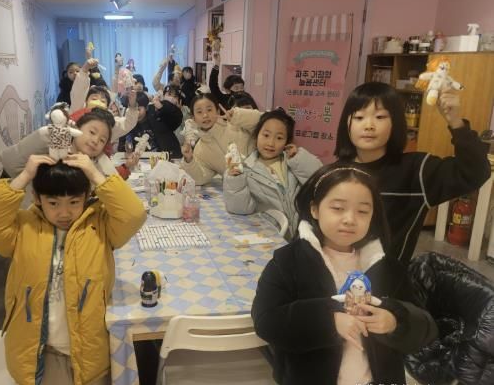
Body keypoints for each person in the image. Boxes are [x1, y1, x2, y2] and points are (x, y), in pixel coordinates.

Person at [252, 164, 437, 385]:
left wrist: (395, 320)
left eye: (362, 211)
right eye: (338, 208)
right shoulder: (289, 262)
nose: (350, 219)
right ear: (315, 209)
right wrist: (327, 320)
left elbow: (425, 327)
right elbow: (266, 320)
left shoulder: (387, 268)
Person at [0, 153, 146, 385]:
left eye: (74, 202)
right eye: (53, 203)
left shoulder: (101, 227)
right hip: (41, 357)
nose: (64, 212)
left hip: (91, 355)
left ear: (87, 196)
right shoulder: (23, 228)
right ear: (37, 198)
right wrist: (25, 175)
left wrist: (95, 173)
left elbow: (134, 214)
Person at [334, 82, 490, 264]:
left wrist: (455, 121)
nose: (369, 125)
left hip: (385, 278)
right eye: (359, 117)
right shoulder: (335, 173)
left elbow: (475, 172)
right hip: (334, 273)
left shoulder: (416, 170)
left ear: (395, 124)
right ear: (347, 124)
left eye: (380, 116)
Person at [223, 108, 322, 237]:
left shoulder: (293, 162)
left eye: (279, 138)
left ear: (287, 142)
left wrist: (298, 158)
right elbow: (239, 209)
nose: (271, 143)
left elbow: (320, 181)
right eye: (266, 135)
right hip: (271, 237)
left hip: (303, 235)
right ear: (256, 136)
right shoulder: (246, 169)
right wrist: (235, 180)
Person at [0, 107, 118, 179]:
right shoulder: (50, 146)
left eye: (102, 140)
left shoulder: (97, 165)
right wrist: (46, 136)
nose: (95, 140)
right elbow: (9, 161)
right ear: (77, 127)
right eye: (92, 132)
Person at [180, 92, 261, 185]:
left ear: (218, 111)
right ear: (193, 118)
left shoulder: (237, 125)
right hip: (239, 188)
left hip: (265, 179)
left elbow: (262, 121)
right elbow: (200, 178)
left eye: (209, 110)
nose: (205, 115)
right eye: (199, 112)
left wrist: (238, 115)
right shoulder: (201, 150)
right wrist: (189, 159)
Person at [119, 86, 183, 159]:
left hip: (166, 158)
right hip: (140, 161)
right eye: (133, 110)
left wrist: (162, 107)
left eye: (139, 109)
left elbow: (177, 118)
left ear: (146, 107)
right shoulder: (128, 121)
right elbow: (122, 146)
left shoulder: (156, 113)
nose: (136, 113)